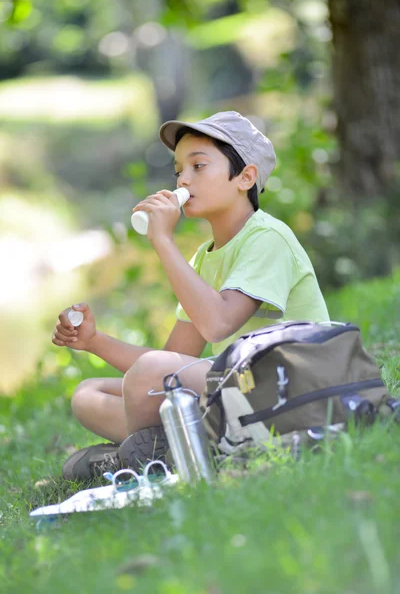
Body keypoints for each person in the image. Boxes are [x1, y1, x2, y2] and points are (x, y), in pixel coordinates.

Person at [53, 111, 330, 481]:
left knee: (149, 375)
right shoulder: (205, 256)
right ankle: (173, 446)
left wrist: (163, 241)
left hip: (289, 392)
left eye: (198, 166)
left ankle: (150, 456)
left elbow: (218, 324)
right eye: (179, 170)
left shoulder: (268, 237)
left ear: (245, 177)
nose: (183, 179)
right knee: (88, 394)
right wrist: (93, 341)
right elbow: (171, 361)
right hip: (237, 391)